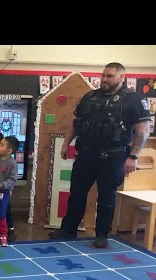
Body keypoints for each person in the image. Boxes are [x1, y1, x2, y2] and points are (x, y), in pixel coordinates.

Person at [49, 62, 151, 248]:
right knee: (76, 193)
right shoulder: (90, 97)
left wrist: (134, 156)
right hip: (86, 154)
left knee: (106, 197)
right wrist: (66, 144)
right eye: (103, 75)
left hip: (113, 157)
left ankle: (101, 235)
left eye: (109, 76)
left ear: (122, 77)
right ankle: (68, 230)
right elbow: (75, 122)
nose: (104, 79)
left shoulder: (133, 100)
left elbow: (142, 130)